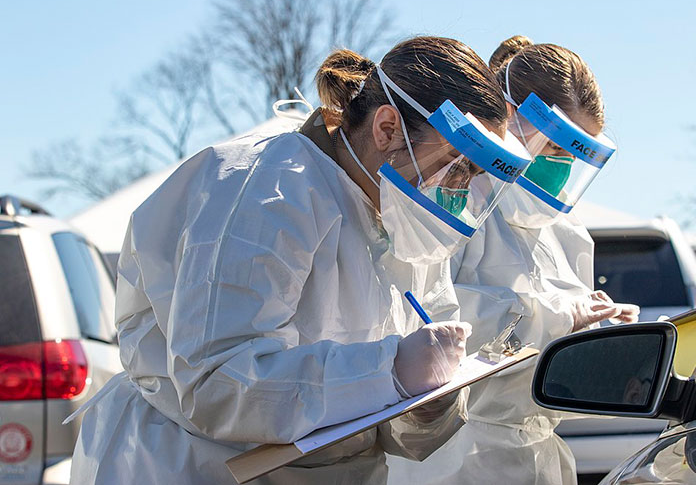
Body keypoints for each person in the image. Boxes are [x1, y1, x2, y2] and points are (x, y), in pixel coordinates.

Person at [68, 36, 532, 484]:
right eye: (454, 163)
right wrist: (389, 370)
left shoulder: (404, 219)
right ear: (387, 128)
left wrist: (430, 405)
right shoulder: (268, 188)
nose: (457, 189)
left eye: (471, 175)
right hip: (191, 467)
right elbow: (217, 385)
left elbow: (390, 416)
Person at [387, 36, 640, 485]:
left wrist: (603, 340)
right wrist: (557, 318)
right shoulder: (454, 199)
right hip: (454, 457)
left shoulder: (567, 231)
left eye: (573, 154)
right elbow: (421, 317)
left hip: (536, 454)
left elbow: (551, 381)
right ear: (511, 118)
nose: (560, 166)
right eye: (555, 147)